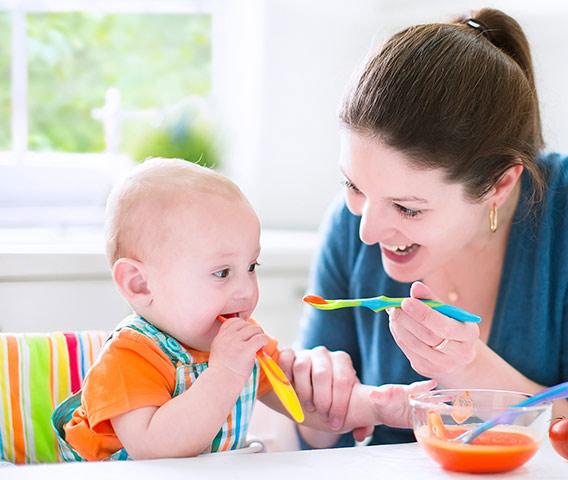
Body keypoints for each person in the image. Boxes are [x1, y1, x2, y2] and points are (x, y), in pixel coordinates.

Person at [290, 7, 568, 448]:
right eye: (353, 184)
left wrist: (468, 370)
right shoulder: (351, 223)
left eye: (407, 208)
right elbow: (314, 439)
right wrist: (317, 403)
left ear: (499, 185)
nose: (366, 230)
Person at [51, 158, 433, 461]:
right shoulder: (128, 358)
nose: (246, 290)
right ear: (140, 284)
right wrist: (225, 372)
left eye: (252, 267)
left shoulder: (239, 343)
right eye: (222, 273)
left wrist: (383, 405)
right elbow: (154, 448)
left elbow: (307, 403)